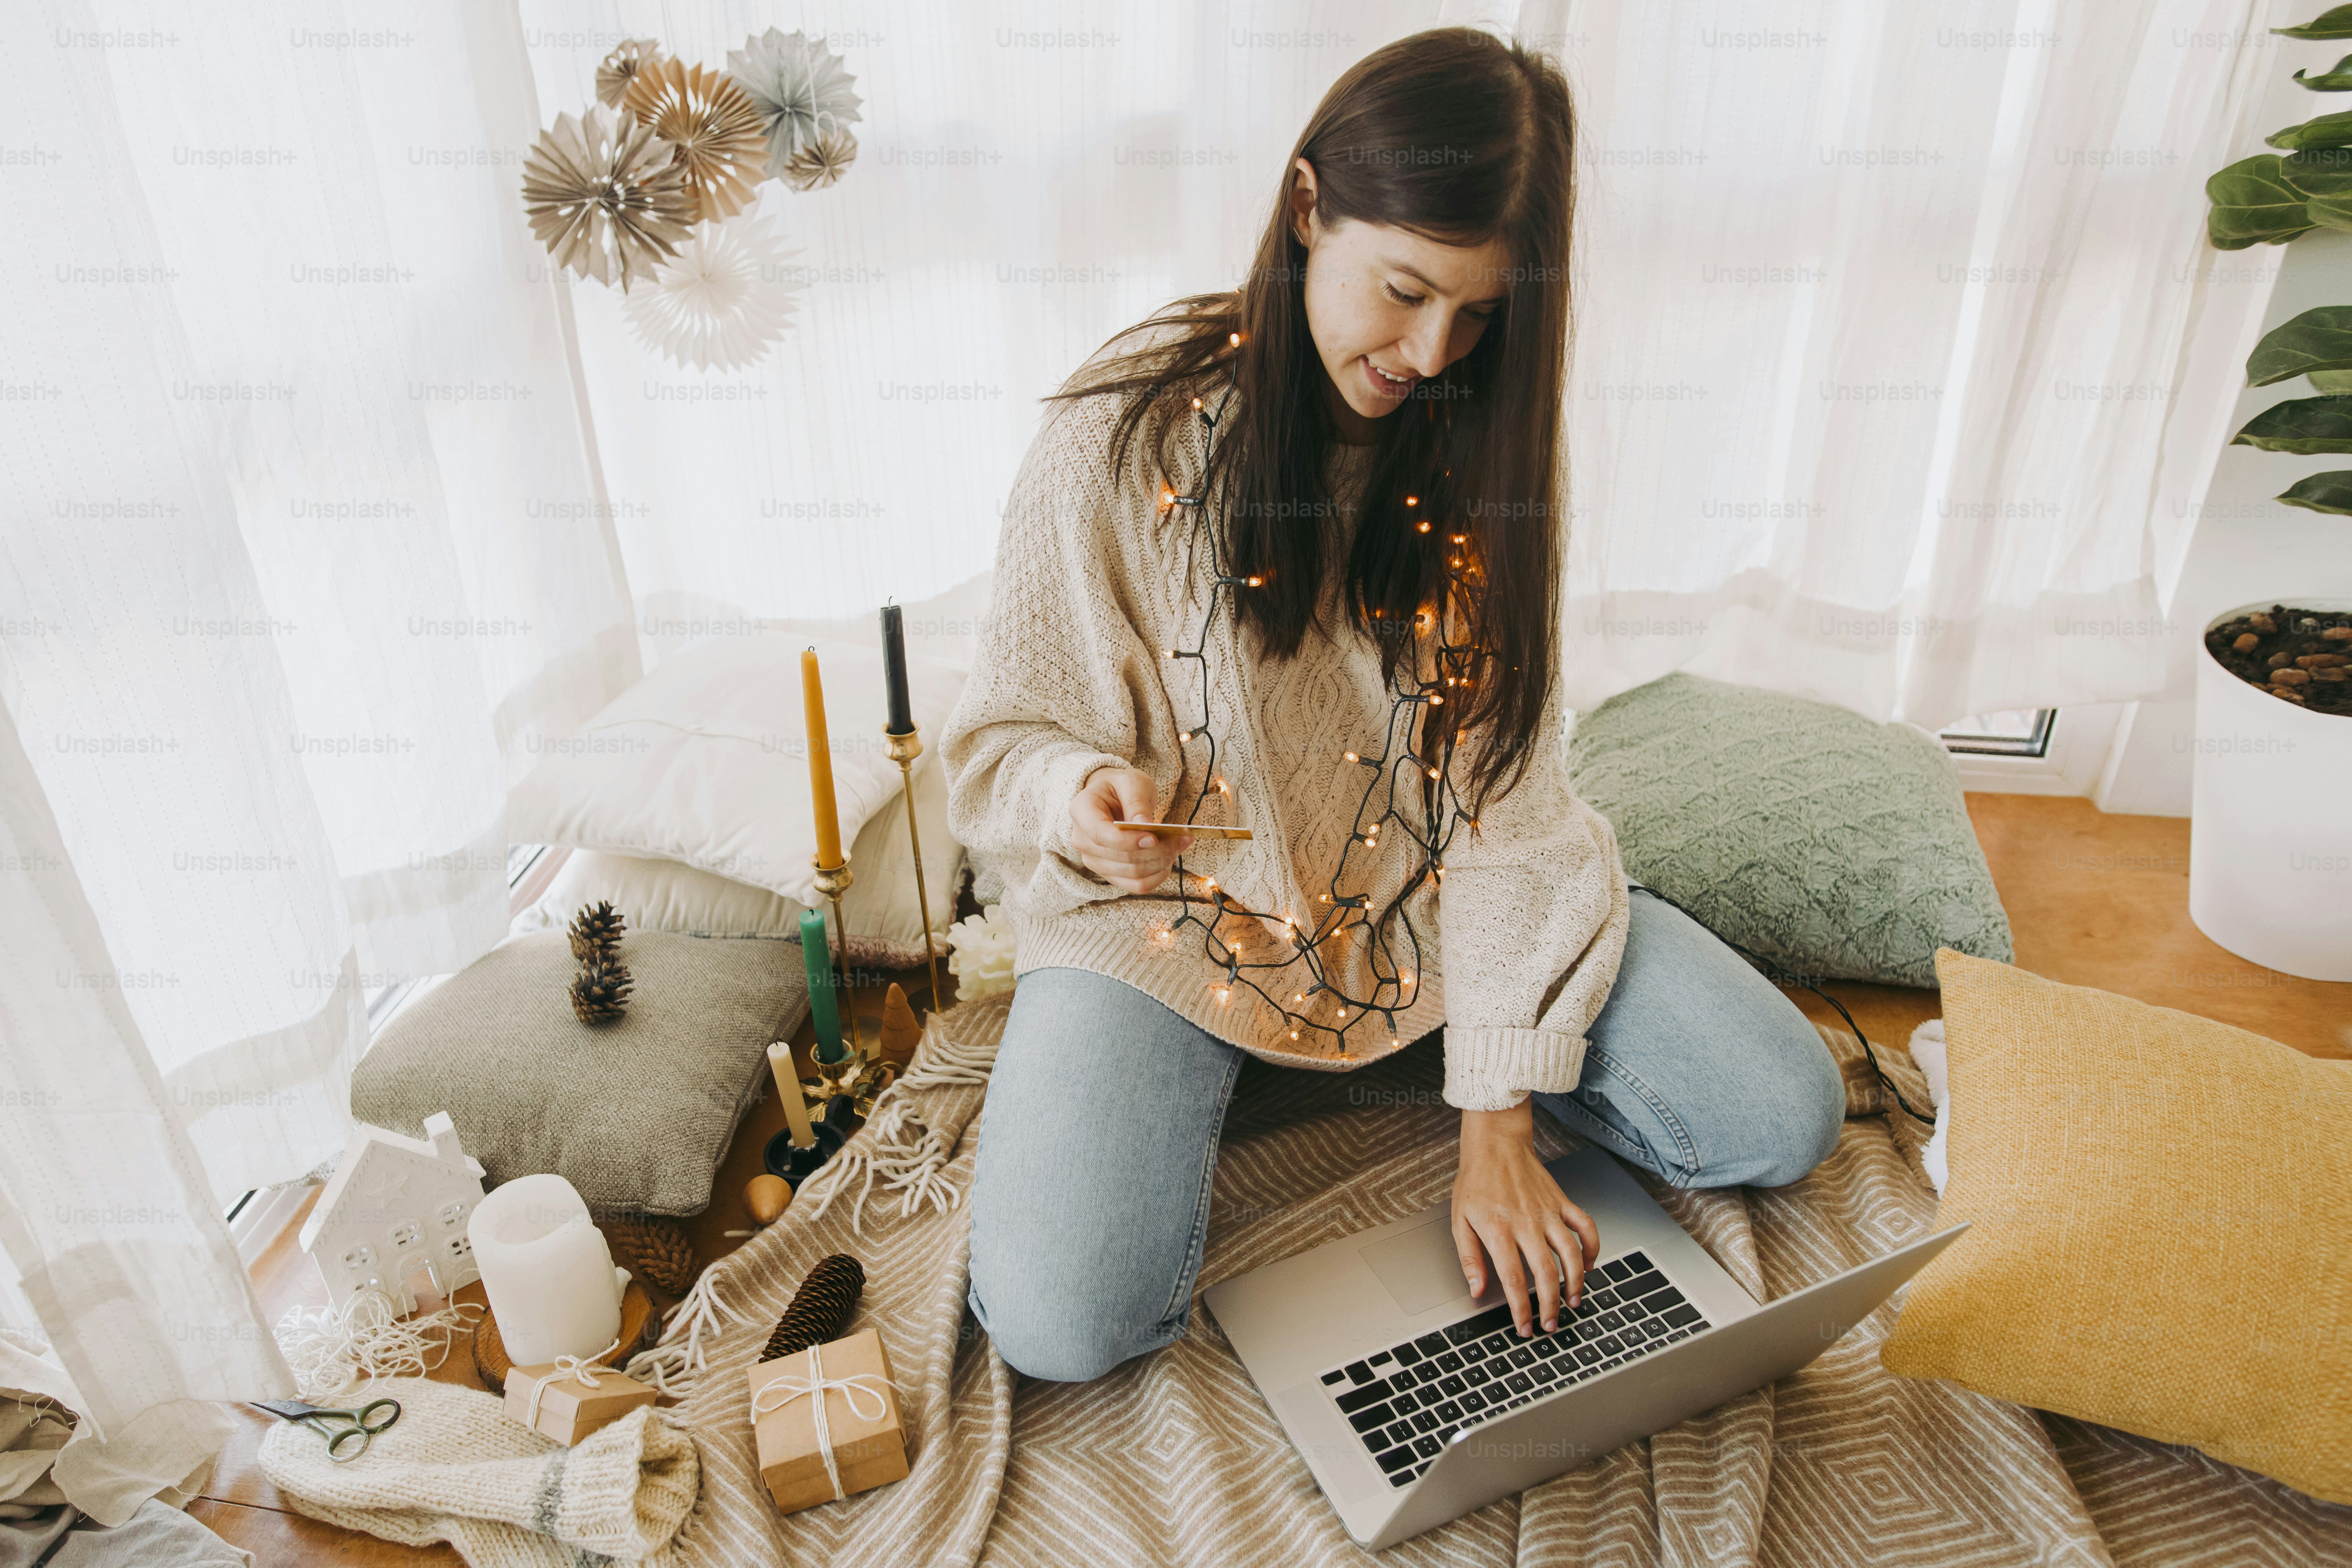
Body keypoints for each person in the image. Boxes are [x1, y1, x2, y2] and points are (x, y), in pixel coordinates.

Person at [940, 27, 1844, 1384]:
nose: (1431, 350)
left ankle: (1425, 1041)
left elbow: (1511, 799)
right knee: (1062, 1320)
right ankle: (1295, 1059)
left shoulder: (1484, 454)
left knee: (1788, 1109)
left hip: (1430, 900)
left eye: (1478, 314)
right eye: (1407, 290)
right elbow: (1003, 737)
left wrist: (1499, 1120)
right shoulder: (1117, 435)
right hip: (1179, 921)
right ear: (1309, 209)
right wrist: (1079, 794)